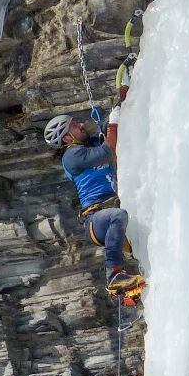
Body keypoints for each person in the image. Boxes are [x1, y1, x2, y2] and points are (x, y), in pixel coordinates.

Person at [44, 99, 145, 300]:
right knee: (118, 216)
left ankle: (128, 292)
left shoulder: (89, 144)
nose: (80, 125)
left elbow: (106, 128)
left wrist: (120, 100)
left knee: (128, 225)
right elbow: (108, 150)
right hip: (96, 219)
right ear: (66, 139)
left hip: (107, 213)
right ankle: (113, 275)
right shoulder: (72, 156)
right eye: (74, 126)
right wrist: (114, 124)